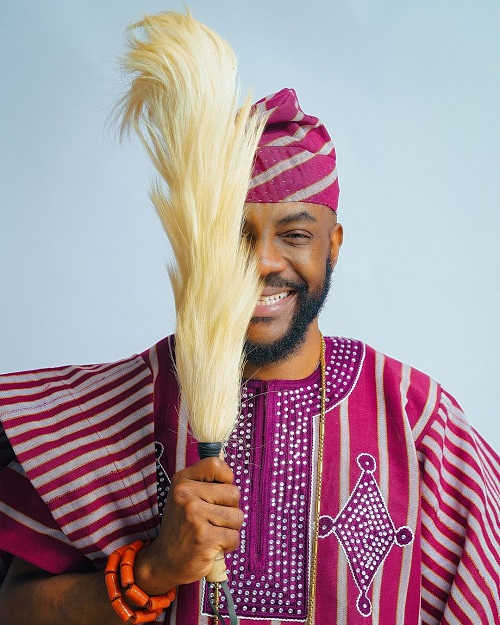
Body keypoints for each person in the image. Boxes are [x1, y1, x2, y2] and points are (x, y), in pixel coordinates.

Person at [0, 87, 499, 625]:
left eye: (295, 234)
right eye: (234, 237)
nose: (262, 262)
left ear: (332, 245)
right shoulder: (118, 409)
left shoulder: (415, 418)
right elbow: (13, 609)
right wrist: (155, 570)